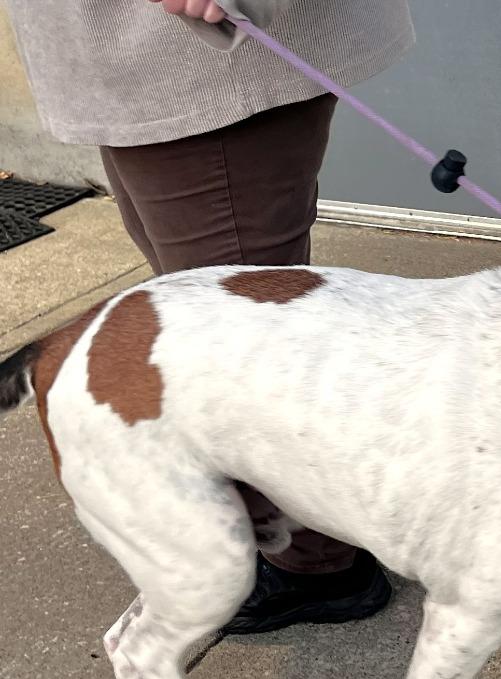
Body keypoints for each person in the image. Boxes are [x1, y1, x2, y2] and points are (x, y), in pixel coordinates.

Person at [4, 0, 414, 633]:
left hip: (197, 54)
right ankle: (318, 543)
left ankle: (322, 564)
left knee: (245, 351)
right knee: (206, 309)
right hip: (133, 61)